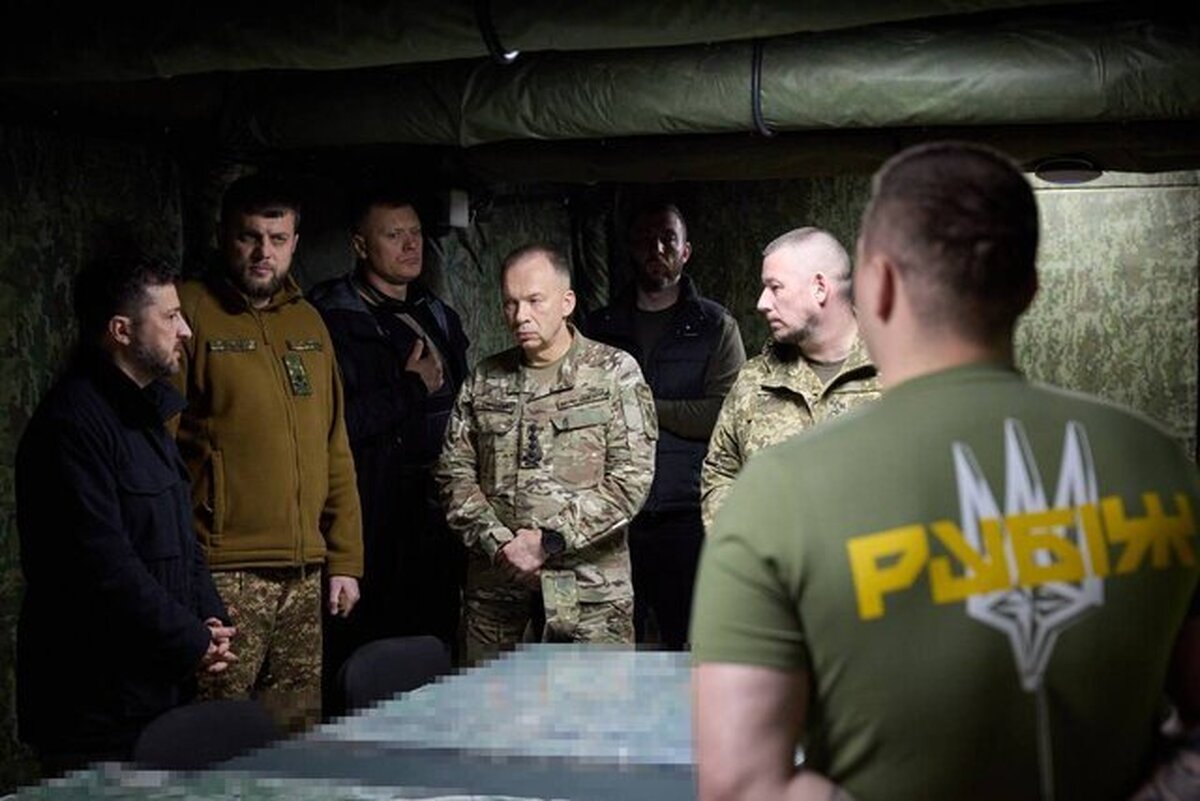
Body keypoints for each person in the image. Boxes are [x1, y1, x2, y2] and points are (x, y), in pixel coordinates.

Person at [691, 141, 1200, 801]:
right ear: (1029, 287)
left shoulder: (774, 495)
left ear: (878, 285)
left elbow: (740, 785)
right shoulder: (1158, 462)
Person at [16, 251, 235, 771]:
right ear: (121, 330)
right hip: (95, 703)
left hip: (156, 692)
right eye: (170, 317)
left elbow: (181, 536)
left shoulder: (146, 414)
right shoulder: (71, 426)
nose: (185, 330)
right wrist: (191, 640)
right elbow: (102, 567)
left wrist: (209, 617)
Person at [173, 174, 363, 731]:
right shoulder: (189, 312)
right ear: (223, 236)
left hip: (304, 574)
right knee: (218, 735)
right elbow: (157, 450)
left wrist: (344, 559)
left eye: (278, 239)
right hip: (223, 573)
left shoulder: (308, 322)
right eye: (249, 237)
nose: (263, 253)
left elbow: (335, 447)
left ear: (295, 243)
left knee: (295, 733)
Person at [436, 244, 656, 665]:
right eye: (510, 303)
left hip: (588, 591)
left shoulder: (614, 373)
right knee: (488, 703)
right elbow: (453, 473)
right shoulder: (485, 379)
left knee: (591, 705)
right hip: (497, 589)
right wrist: (500, 544)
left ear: (567, 302)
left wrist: (549, 541)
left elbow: (631, 480)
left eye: (535, 301)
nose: (521, 316)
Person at [308, 193, 469, 686]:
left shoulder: (437, 313)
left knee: (432, 648)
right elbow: (331, 429)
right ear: (360, 245)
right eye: (393, 235)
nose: (410, 245)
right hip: (370, 516)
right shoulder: (328, 321)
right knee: (367, 656)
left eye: (415, 233)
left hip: (435, 516)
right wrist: (410, 388)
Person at [587, 202, 744, 649]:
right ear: (630, 250)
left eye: (668, 239)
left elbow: (724, 416)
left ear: (685, 251)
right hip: (615, 520)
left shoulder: (715, 326)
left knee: (691, 649)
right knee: (612, 651)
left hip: (686, 516)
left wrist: (642, 407)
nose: (656, 249)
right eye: (645, 240)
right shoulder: (600, 327)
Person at [700, 227, 879, 534]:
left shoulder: (905, 370)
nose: (762, 302)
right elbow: (721, 472)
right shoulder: (755, 380)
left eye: (775, 287)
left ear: (819, 288)